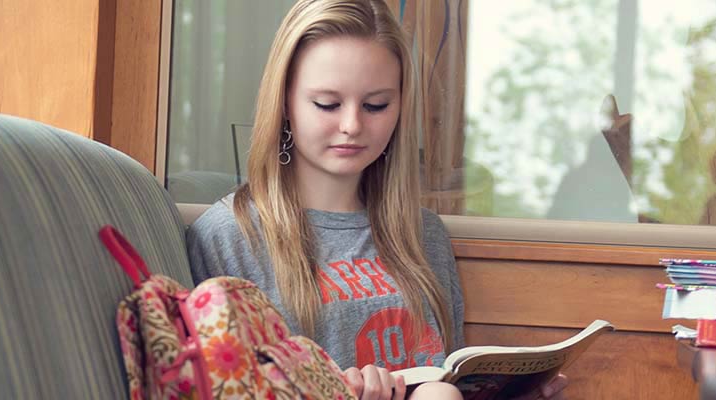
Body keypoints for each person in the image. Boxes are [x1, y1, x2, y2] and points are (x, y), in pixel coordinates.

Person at [184, 1, 567, 399]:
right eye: (327, 104)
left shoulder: (424, 235)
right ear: (284, 101)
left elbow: (446, 377)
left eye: (376, 105)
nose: (352, 125)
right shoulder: (228, 237)